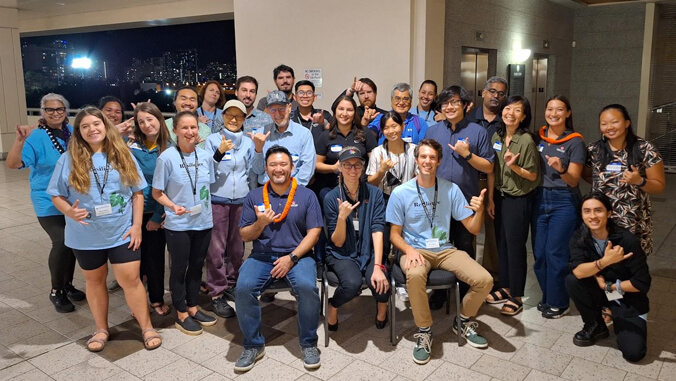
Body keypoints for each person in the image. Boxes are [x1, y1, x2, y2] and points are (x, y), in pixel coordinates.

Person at [47, 107, 161, 352]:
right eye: (85, 126)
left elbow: (138, 193)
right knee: (95, 281)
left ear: (105, 126)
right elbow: (56, 195)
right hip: (85, 234)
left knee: (130, 280)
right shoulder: (68, 159)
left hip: (121, 231)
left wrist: (137, 226)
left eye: (96, 124)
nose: (92, 129)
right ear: (78, 132)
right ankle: (101, 329)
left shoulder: (122, 154)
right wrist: (68, 211)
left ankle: (146, 326)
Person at [387, 139, 493, 364]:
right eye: (423, 157)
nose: (427, 161)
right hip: (414, 249)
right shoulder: (401, 192)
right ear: (416, 160)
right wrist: (408, 249)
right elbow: (394, 234)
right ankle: (424, 330)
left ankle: (463, 320)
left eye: (432, 158)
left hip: (444, 249)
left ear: (439, 161)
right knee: (415, 274)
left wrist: (480, 210)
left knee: (485, 279)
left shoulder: (450, 189)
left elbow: (473, 229)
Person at [235, 146, 323, 372]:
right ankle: (253, 345)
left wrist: (292, 258)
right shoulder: (254, 196)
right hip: (262, 256)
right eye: (273, 165)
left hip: (298, 256)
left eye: (283, 164)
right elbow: (244, 235)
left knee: (306, 287)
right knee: (243, 288)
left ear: (292, 168)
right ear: (266, 168)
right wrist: (260, 223)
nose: (278, 169)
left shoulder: (307, 195)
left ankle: (308, 343)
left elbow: (314, 232)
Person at [6, 93, 85, 313]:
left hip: (71, 199)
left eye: (59, 109)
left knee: (72, 243)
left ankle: (68, 285)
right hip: (47, 200)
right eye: (50, 110)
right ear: (43, 112)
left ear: (65, 111)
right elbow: (13, 164)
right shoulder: (36, 137)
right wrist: (19, 140)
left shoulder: (71, 134)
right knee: (60, 241)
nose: (55, 113)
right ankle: (56, 290)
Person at [423, 85, 494, 310]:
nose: (450, 107)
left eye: (455, 102)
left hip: (465, 202)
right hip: (437, 202)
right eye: (445, 103)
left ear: (466, 105)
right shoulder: (433, 131)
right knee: (438, 246)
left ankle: (466, 292)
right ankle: (440, 293)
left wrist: (468, 155)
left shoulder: (477, 131)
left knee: (464, 247)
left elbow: (489, 166)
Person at [152, 111, 218, 335]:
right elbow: (157, 193)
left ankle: (193, 306)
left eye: (194, 127)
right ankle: (180, 312)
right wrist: (172, 207)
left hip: (203, 221)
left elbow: (206, 188)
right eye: (185, 128)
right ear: (175, 131)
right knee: (179, 268)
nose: (190, 132)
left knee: (197, 267)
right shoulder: (167, 158)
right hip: (179, 224)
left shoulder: (205, 155)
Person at [567, 192, 651, 362]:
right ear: (582, 215)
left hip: (627, 297)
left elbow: (642, 283)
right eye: (587, 211)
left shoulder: (626, 240)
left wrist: (608, 287)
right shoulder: (580, 237)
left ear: (609, 213)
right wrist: (604, 262)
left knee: (634, 353)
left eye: (598, 210)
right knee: (572, 280)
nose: (592, 216)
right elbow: (577, 271)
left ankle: (616, 313)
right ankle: (596, 324)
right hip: (602, 291)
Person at [583, 104, 665, 256]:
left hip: (634, 220)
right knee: (602, 262)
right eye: (604, 123)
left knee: (631, 265)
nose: (609, 127)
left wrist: (639, 181)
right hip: (600, 219)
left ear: (627, 123)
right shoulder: (594, 150)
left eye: (615, 122)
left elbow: (659, 186)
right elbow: (587, 175)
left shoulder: (645, 149)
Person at [324, 147, 389, 331]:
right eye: (347, 165)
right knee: (351, 284)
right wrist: (341, 218)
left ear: (363, 167)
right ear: (340, 168)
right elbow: (337, 242)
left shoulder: (374, 194)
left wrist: (377, 266)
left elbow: (377, 229)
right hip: (342, 253)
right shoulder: (331, 197)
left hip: (370, 250)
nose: (353, 170)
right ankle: (333, 306)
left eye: (357, 165)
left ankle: (382, 306)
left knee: (380, 281)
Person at [532, 95, 586, 319]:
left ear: (568, 113)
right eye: (550, 109)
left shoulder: (575, 141)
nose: (553, 114)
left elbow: (574, 180)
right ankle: (548, 297)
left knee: (556, 253)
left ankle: (560, 302)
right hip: (539, 198)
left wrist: (561, 168)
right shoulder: (538, 137)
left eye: (559, 110)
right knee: (540, 253)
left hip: (564, 200)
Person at [485, 96, 539, 315]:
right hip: (499, 196)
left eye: (517, 110)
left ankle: (516, 295)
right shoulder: (497, 136)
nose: (511, 113)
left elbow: (533, 175)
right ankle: (505, 286)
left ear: (524, 116)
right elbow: (491, 170)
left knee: (515, 247)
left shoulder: (525, 140)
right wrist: (490, 198)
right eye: (508, 108)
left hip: (518, 199)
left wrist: (514, 167)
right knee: (502, 244)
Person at [203, 100, 253, 318]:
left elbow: (253, 171)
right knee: (215, 249)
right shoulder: (212, 140)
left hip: (241, 200)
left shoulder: (249, 143)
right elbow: (206, 171)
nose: (233, 120)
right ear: (222, 116)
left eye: (238, 116)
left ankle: (232, 284)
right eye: (229, 115)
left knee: (237, 248)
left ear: (244, 119)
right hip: (217, 200)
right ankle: (216, 293)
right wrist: (219, 153)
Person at [365, 111, 417, 302]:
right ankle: (385, 282)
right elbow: (370, 182)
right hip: (385, 201)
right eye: (386, 127)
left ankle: (403, 282)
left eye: (394, 126)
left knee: (406, 241)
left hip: (409, 201)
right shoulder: (378, 152)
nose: (391, 131)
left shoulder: (414, 149)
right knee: (385, 242)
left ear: (402, 127)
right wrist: (382, 170)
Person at [128, 102, 172, 316]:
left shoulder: (171, 147)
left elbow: (171, 186)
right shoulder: (132, 148)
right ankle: (136, 303)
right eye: (141, 122)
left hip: (159, 212)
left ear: (160, 119)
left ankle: (156, 298)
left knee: (155, 259)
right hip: (134, 212)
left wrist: (157, 216)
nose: (146, 125)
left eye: (150, 119)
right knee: (135, 260)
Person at [467, 77, 509, 279]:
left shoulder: (507, 121)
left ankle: (493, 276)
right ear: (483, 93)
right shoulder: (469, 118)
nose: (496, 96)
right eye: (492, 91)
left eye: (501, 93)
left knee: (493, 234)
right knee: (469, 230)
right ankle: (469, 276)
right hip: (470, 180)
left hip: (496, 184)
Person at [249, 90, 316, 186]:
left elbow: (307, 168)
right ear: (268, 111)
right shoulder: (260, 134)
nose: (278, 114)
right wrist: (258, 150)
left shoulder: (304, 134)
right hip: (266, 189)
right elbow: (257, 170)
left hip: (294, 189)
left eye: (281, 108)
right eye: (273, 110)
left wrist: (289, 188)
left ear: (289, 108)